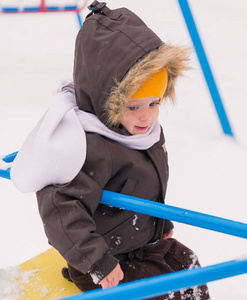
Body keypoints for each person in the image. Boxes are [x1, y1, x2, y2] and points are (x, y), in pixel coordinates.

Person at [10, 1, 210, 299]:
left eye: (154, 103)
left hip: (140, 242)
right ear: (107, 102)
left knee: (188, 267)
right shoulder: (85, 146)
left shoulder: (141, 133)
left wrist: (159, 222)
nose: (146, 116)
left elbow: (141, 186)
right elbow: (60, 209)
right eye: (134, 106)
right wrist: (97, 262)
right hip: (102, 261)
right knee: (163, 293)